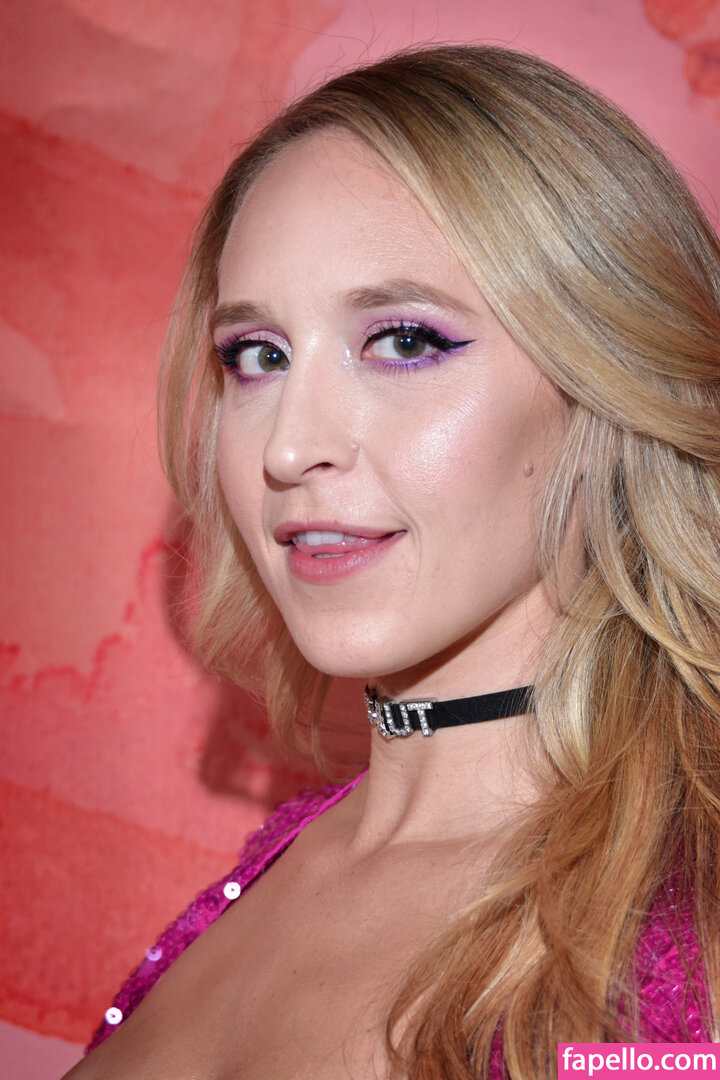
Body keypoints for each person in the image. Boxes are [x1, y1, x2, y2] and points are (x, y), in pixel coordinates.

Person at [63, 44, 720, 1080]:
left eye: (404, 341)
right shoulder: (275, 866)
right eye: (257, 357)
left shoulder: (683, 942)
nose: (288, 448)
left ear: (609, 379)